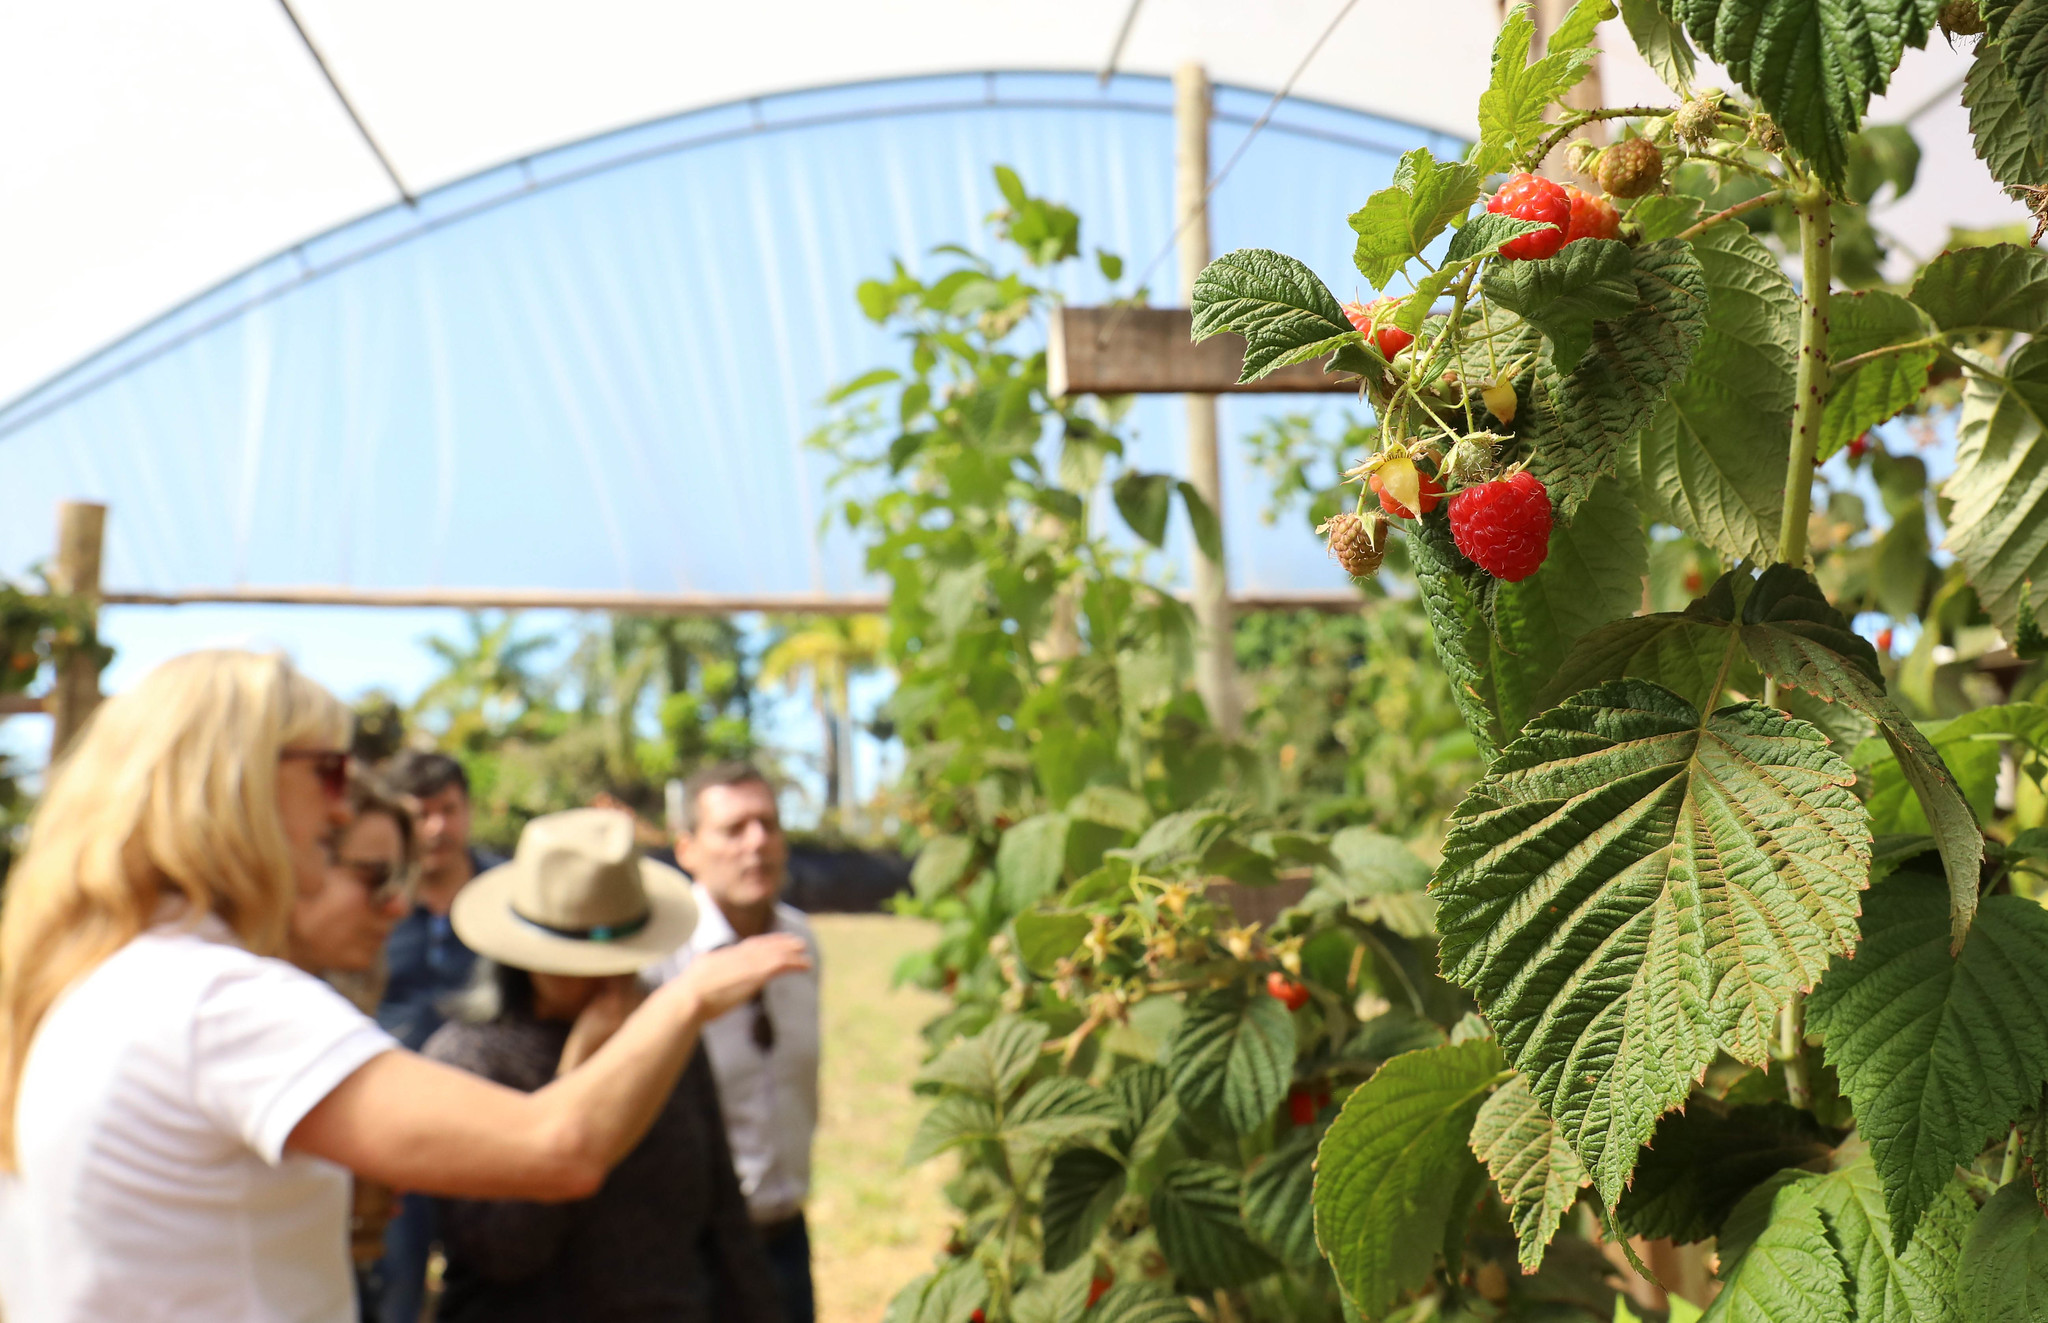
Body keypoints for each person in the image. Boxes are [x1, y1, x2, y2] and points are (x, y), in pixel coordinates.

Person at [0, 649, 809, 1323]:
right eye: (327, 769)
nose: (341, 800)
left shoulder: (112, 983)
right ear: (236, 781)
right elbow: (559, 1148)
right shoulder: (217, 999)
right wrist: (686, 996)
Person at [423, 808, 781, 1322]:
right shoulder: (469, 1059)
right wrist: (581, 1071)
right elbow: (503, 1251)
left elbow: (724, 1218)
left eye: (624, 960)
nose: (609, 984)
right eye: (580, 968)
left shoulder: (666, 1033)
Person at [647, 763, 820, 1323]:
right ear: (688, 850)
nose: (758, 843)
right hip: (693, 1249)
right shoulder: (661, 961)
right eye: (734, 828)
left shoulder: (804, 943)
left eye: (769, 824)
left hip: (786, 1234)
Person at [372, 750, 502, 1323]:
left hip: (497, 1126)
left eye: (449, 810)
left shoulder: (510, 897)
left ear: (468, 811)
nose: (437, 828)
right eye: (421, 814)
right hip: (398, 1135)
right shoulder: (370, 903)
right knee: (394, 1288)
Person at [282, 775, 418, 1316]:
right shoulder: (240, 1008)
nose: (397, 906)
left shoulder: (337, 992)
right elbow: (556, 1144)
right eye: (375, 878)